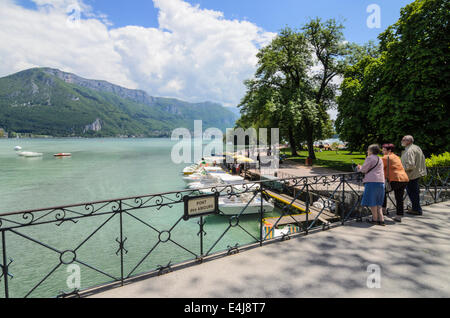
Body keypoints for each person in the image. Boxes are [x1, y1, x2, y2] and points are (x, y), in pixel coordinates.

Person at [357, 144, 386, 226]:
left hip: (372, 182)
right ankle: (381, 219)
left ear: (371, 151)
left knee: (372, 201)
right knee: (378, 202)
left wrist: (359, 167)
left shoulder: (369, 158)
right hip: (381, 181)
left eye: (368, 150)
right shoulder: (379, 158)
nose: (367, 151)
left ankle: (374, 219)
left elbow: (363, 170)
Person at [381, 144, 409, 222]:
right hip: (404, 178)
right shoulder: (396, 157)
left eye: (384, 150)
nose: (382, 151)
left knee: (383, 191)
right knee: (399, 198)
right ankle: (399, 216)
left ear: (389, 150)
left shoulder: (386, 157)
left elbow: (379, 166)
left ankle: (383, 209)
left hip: (395, 179)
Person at [400, 135, 427, 215]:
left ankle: (416, 209)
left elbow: (410, 165)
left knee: (412, 192)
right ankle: (416, 208)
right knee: (414, 192)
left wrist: (401, 169)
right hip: (416, 173)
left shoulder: (410, 150)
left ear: (408, 141)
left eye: (403, 140)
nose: (402, 141)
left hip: (411, 175)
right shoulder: (416, 147)